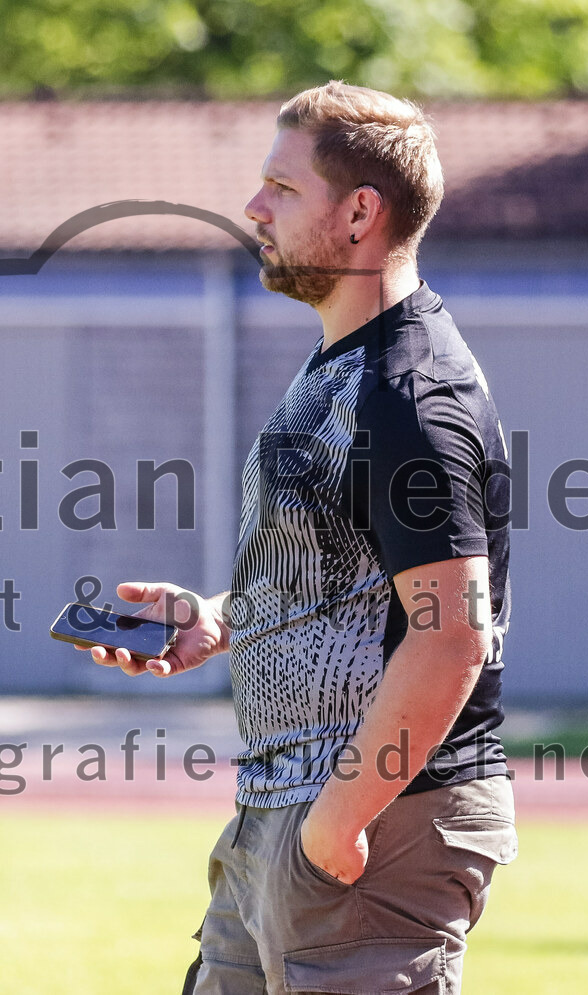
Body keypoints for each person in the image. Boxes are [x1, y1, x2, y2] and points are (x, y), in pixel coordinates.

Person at [84, 81, 517, 995]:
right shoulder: (342, 365)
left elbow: (452, 634)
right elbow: (347, 578)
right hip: (279, 807)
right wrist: (218, 618)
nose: (253, 208)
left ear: (360, 212)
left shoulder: (410, 393)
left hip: (369, 824)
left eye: (282, 187)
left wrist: (338, 818)